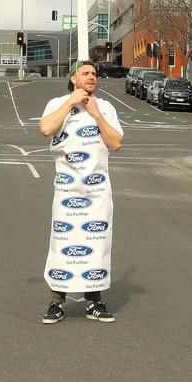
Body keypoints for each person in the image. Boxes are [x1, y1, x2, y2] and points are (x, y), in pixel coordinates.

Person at [38, 60, 124, 324]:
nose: (91, 77)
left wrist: (96, 114)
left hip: (97, 192)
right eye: (85, 73)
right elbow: (46, 129)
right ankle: (56, 302)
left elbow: (116, 143)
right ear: (73, 78)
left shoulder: (106, 108)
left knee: (96, 245)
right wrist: (71, 102)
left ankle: (94, 301)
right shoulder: (56, 104)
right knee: (62, 244)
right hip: (66, 190)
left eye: (94, 74)